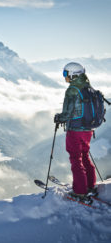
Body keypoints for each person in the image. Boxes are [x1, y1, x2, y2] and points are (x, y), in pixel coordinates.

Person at [54, 62, 96, 199]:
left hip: (75, 130)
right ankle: (91, 185)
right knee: (85, 156)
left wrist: (58, 118)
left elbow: (67, 113)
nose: (64, 77)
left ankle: (80, 191)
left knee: (75, 159)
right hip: (88, 129)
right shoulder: (87, 87)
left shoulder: (72, 89)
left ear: (73, 75)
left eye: (66, 74)